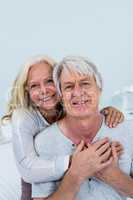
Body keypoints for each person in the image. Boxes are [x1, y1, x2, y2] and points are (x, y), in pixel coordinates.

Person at [2, 55, 124, 200]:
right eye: (34, 85)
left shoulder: (66, 103)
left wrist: (105, 112)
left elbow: (85, 109)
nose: (43, 90)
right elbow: (28, 170)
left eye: (49, 81)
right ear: (27, 91)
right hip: (33, 175)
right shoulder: (23, 118)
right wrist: (77, 161)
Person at [32, 56, 133, 200]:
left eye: (85, 84)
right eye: (69, 87)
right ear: (60, 96)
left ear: (99, 89)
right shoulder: (44, 142)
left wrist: (112, 175)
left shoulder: (128, 130)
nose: (78, 93)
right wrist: (76, 174)